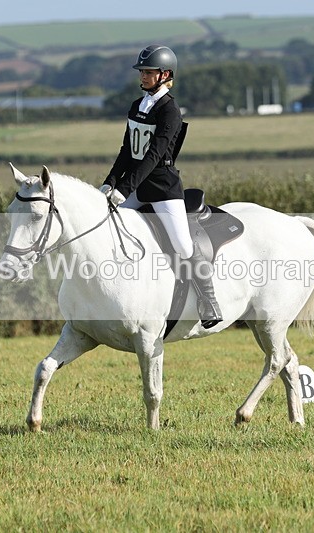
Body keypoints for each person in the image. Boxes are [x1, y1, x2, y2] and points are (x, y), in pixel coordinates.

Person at [100, 44, 222, 329]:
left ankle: (209, 301)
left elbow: (154, 155)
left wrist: (124, 189)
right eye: (141, 71)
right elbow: (127, 151)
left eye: (148, 72)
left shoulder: (170, 111)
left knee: (181, 243)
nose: (142, 76)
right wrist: (109, 182)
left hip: (162, 189)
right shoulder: (137, 106)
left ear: (165, 74)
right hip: (136, 186)